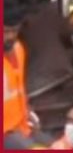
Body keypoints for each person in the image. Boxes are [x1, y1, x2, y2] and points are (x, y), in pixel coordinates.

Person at [4, 8, 48, 150]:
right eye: (5, 31)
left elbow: (19, 88)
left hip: (22, 125)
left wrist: (29, 113)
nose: (10, 36)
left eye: (14, 31)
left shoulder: (18, 49)